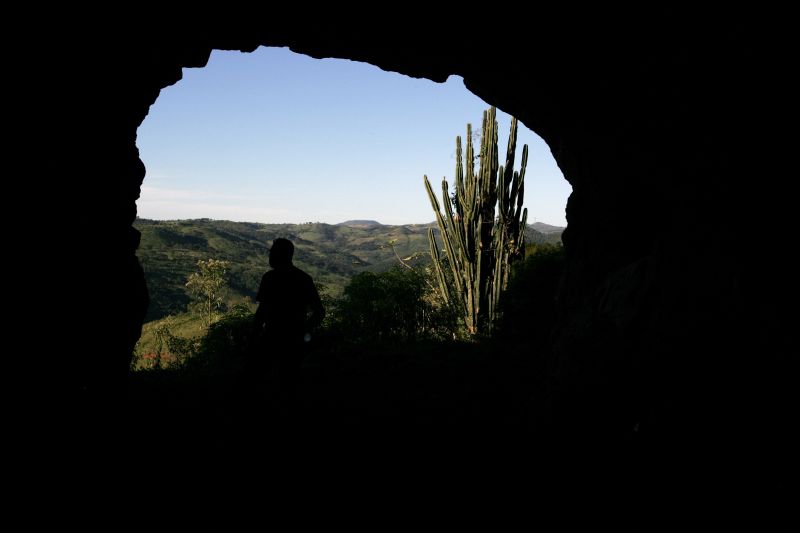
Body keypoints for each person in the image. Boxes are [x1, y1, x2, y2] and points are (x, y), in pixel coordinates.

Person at [250, 238, 325, 419]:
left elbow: (262, 312)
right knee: (289, 382)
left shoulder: (270, 278)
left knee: (260, 381)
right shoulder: (304, 278)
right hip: (294, 341)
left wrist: (253, 337)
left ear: (279, 254)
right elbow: (319, 312)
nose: (269, 254)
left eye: (272, 251)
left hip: (271, 338)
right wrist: (304, 332)